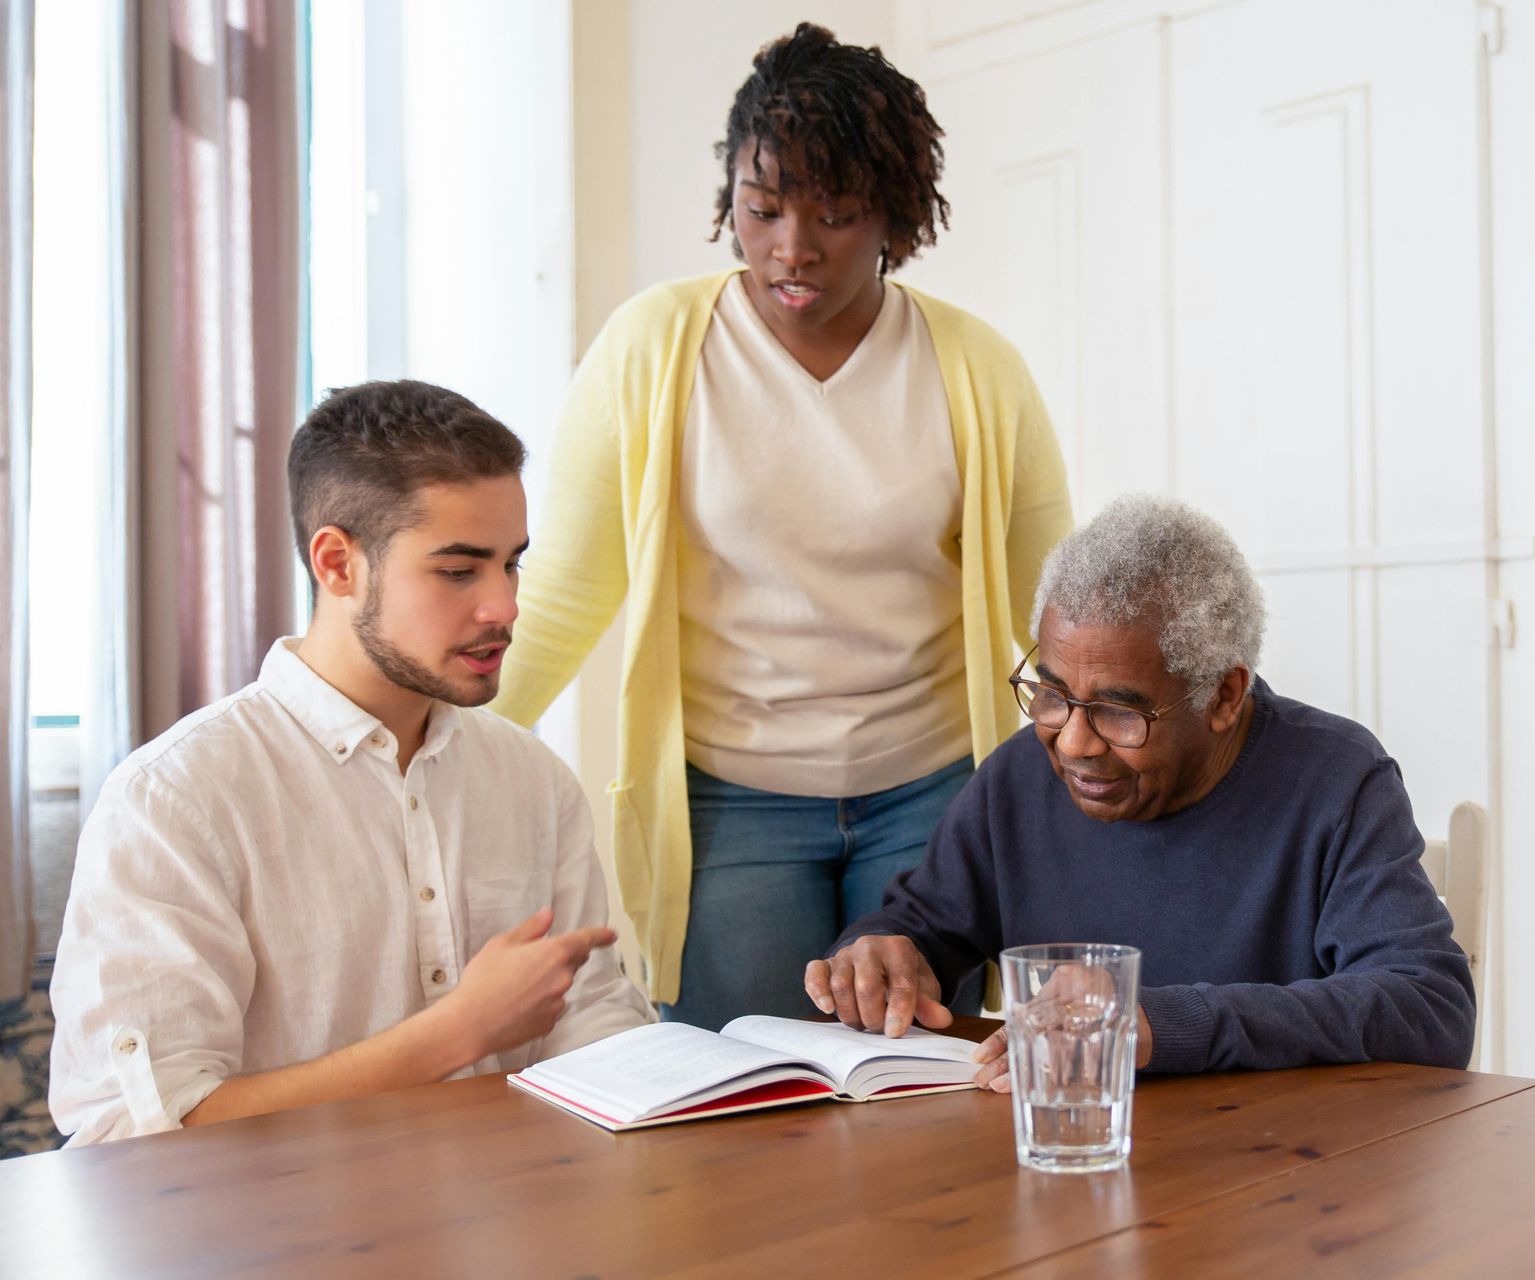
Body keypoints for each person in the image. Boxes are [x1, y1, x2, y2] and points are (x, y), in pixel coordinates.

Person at [494, 23, 1073, 1029]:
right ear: (731, 199)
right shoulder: (652, 350)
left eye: (835, 215)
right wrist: (423, 740)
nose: (790, 248)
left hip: (932, 793)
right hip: (731, 803)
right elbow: (565, 591)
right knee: (741, 1102)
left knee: (915, 1094)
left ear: (897, 213)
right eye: (761, 210)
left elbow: (1056, 609)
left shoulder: (976, 369)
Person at [49, 381, 652, 1145]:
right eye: (460, 571)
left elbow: (593, 1030)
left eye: (512, 564)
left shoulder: (535, 784)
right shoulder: (175, 800)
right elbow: (128, 1134)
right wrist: (454, 1034)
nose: (504, 606)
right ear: (338, 564)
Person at [804, 495, 1476, 1083]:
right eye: (1052, 693)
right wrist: (884, 957)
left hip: (1276, 1185)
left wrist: (1160, 1024)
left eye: (1120, 712)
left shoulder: (1335, 781)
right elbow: (921, 927)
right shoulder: (1017, 779)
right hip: (1065, 1176)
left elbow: (1428, 1006)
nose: (1072, 741)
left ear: (1223, 695)